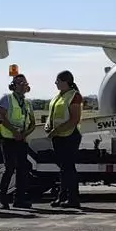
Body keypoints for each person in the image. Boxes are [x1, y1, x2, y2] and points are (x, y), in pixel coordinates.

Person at [0, 69, 37, 209]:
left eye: (25, 83)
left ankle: (19, 199)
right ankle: (2, 198)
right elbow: (2, 117)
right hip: (8, 138)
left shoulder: (27, 104)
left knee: (23, 169)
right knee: (9, 168)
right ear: (14, 85)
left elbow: (33, 123)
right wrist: (14, 132)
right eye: (20, 83)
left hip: (21, 139)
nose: (24, 85)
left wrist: (24, 134)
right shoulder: (6, 99)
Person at [45, 70, 83, 209]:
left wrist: (56, 130)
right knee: (63, 169)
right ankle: (62, 196)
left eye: (58, 81)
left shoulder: (74, 96)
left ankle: (73, 198)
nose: (55, 83)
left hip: (69, 136)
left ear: (65, 81)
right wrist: (48, 126)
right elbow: (53, 115)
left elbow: (75, 119)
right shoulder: (58, 97)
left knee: (68, 168)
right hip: (58, 137)